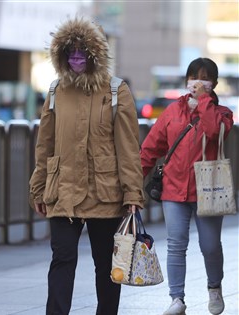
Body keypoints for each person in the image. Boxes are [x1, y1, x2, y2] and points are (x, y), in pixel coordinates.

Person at [29, 18, 145, 315]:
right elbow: (45, 144)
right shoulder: (56, 91)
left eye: (83, 52)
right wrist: (38, 188)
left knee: (106, 265)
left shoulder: (117, 90)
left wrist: (133, 194)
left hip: (105, 192)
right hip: (63, 189)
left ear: (96, 54)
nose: (77, 59)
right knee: (62, 258)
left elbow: (129, 148)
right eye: (71, 53)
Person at [140, 57, 233, 315]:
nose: (197, 82)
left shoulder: (223, 113)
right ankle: (177, 299)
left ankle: (214, 287)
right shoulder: (172, 112)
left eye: (204, 78)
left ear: (213, 83)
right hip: (174, 188)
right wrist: (134, 179)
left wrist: (203, 101)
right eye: (193, 77)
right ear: (186, 80)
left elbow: (214, 131)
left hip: (209, 190)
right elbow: (150, 148)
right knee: (176, 244)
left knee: (210, 246)